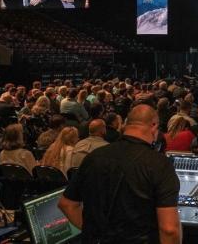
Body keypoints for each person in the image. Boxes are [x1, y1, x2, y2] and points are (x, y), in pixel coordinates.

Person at [59, 104, 181, 243]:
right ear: (153, 126)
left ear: (126, 125)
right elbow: (169, 230)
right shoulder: (160, 164)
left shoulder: (94, 157)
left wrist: (93, 231)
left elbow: (66, 204)